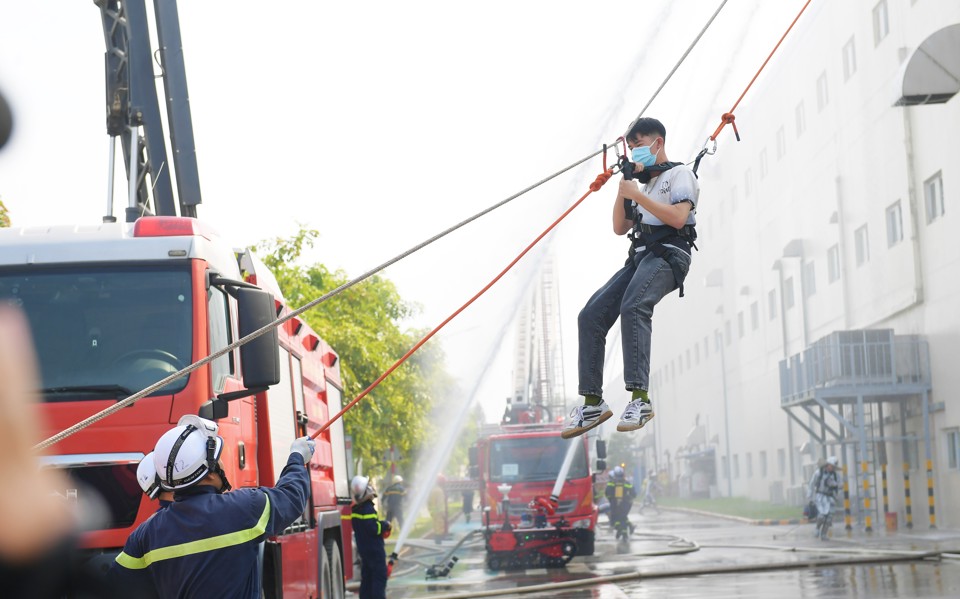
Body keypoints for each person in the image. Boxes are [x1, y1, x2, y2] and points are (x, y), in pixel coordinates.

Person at [563, 117, 700, 439]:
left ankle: (640, 399)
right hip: (640, 258)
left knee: (634, 305)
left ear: (658, 143)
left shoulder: (680, 175)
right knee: (591, 315)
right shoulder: (645, 184)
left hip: (669, 254)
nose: (637, 152)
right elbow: (620, 227)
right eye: (633, 147)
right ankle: (593, 402)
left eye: (641, 145)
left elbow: (679, 218)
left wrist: (637, 195)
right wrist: (625, 189)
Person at [107, 414, 315, 598]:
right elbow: (291, 497)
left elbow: (116, 587)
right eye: (219, 460)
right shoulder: (244, 508)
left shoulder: (146, 534)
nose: (223, 464)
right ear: (209, 472)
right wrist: (297, 458)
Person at [346, 476, 391, 599]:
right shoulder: (368, 509)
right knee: (379, 578)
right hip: (375, 551)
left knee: (367, 579)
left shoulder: (355, 510)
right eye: (368, 486)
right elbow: (374, 528)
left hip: (364, 551)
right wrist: (385, 524)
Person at [807, 456, 841, 540]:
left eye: (833, 467)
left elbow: (839, 486)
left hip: (830, 498)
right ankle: (817, 528)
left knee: (829, 518)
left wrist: (834, 485)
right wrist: (810, 496)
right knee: (822, 516)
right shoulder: (818, 473)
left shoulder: (836, 475)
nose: (831, 468)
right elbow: (811, 484)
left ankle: (824, 534)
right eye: (830, 466)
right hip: (820, 497)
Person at [605, 466, 636, 539]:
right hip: (625, 503)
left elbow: (607, 493)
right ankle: (627, 528)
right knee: (622, 517)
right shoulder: (626, 483)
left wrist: (611, 499)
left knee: (616, 518)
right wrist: (629, 498)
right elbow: (633, 493)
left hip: (615, 503)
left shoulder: (611, 483)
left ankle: (622, 531)